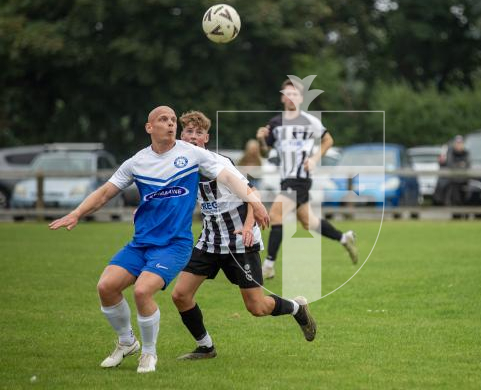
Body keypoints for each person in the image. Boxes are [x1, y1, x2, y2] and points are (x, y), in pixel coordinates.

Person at [49, 106, 269, 373]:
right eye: (163, 120)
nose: (170, 124)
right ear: (149, 127)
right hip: (141, 243)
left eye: (173, 120)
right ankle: (126, 342)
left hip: (174, 244)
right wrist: (76, 213)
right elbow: (106, 191)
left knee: (143, 291)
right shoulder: (137, 161)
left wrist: (254, 201)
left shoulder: (192, 154)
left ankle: (149, 354)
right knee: (106, 287)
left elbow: (230, 178)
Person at [171, 110, 317, 360]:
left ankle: (296, 308)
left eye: (198, 132)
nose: (193, 136)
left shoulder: (220, 163)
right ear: (181, 135)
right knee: (180, 295)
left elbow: (253, 195)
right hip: (210, 242)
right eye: (188, 131)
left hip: (240, 242)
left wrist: (248, 227)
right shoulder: (179, 166)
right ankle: (206, 347)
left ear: (206, 138)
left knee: (257, 308)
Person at [256, 78, 358, 279]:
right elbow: (265, 151)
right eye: (288, 93)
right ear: (282, 97)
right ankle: (343, 237)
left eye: (295, 94)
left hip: (300, 178)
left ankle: (268, 265)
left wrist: (314, 158)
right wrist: (260, 139)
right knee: (308, 222)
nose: (291, 97)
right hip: (286, 179)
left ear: (301, 98)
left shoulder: (309, 121)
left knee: (275, 215)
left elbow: (328, 139)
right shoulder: (275, 123)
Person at [445, 135, 470, 207]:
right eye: (457, 143)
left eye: (460, 143)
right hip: (454, 181)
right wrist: (460, 165)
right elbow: (450, 165)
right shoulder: (451, 153)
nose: (459, 145)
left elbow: (467, 165)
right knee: (455, 200)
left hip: (464, 181)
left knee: (464, 200)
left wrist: (458, 165)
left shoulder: (466, 153)